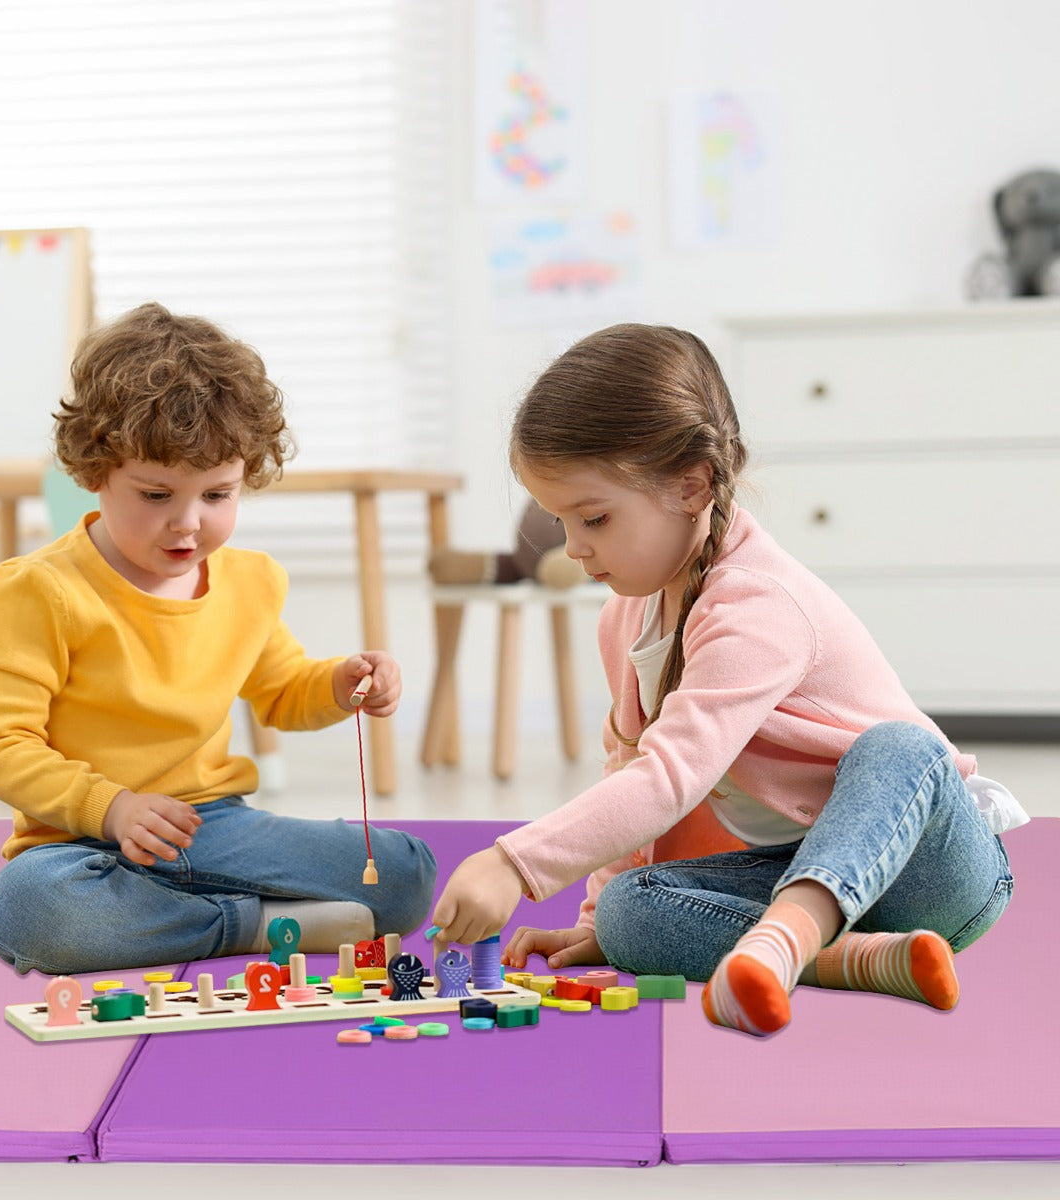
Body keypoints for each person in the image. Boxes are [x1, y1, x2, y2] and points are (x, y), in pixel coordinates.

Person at [430, 323, 1025, 1037]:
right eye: (562, 522)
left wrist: (513, 864)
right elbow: (631, 774)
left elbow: (669, 779)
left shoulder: (757, 605)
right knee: (628, 912)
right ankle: (857, 959)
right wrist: (594, 921)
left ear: (692, 486)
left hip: (933, 870)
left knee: (900, 747)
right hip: (804, 872)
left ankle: (787, 940)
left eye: (594, 518)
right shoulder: (625, 620)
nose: (575, 548)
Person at [0, 302, 436, 976]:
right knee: (28, 911)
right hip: (82, 842)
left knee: (405, 874)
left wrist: (340, 683)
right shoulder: (37, 590)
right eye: (156, 495)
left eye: (217, 496)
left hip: (213, 828)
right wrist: (112, 808)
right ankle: (252, 924)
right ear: (95, 470)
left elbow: (282, 691)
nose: (187, 523)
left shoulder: (251, 581)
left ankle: (182, 914)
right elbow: (1, 747)